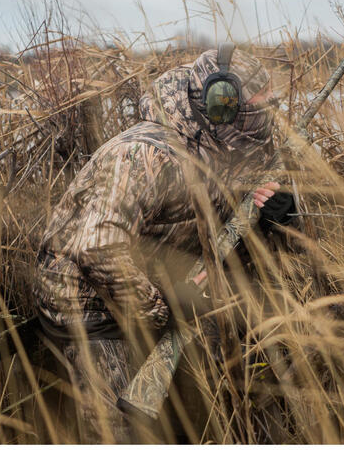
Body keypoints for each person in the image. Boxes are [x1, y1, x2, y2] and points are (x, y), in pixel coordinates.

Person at [33, 46, 297, 442]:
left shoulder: (225, 145)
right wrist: (162, 309)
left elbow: (213, 232)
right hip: (89, 307)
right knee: (124, 433)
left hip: (166, 288)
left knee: (208, 406)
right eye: (256, 107)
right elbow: (96, 248)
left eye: (268, 105)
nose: (265, 117)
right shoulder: (144, 154)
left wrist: (268, 217)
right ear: (222, 106)